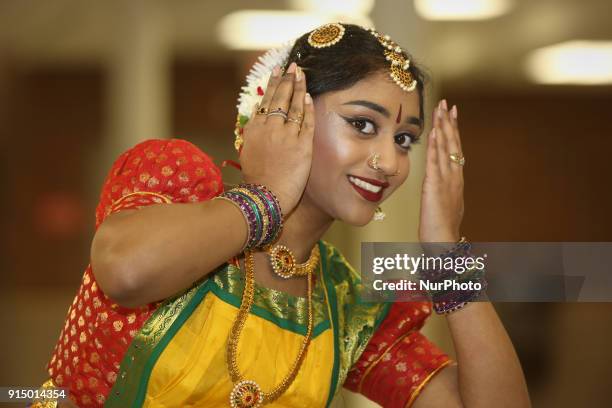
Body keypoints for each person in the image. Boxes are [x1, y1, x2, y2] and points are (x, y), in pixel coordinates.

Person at [36, 23, 530, 407]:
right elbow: (126, 271)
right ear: (288, 110)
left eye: (404, 139)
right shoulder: (178, 187)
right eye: (362, 124)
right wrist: (267, 197)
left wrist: (448, 254)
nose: (390, 162)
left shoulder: (345, 305)